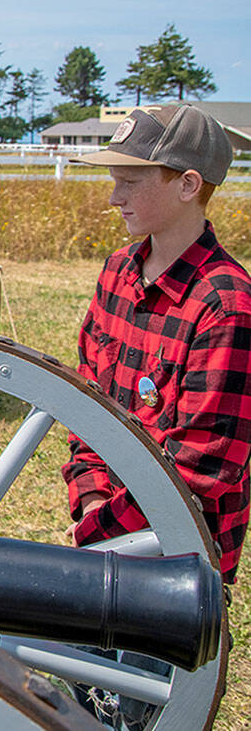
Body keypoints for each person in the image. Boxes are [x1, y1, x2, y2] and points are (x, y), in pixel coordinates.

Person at [63, 103, 251, 587]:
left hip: (177, 557)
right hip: (108, 529)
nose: (113, 197)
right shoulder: (117, 272)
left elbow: (202, 466)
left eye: (130, 181)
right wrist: (90, 498)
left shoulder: (226, 307)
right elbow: (87, 402)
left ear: (188, 186)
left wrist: (100, 529)